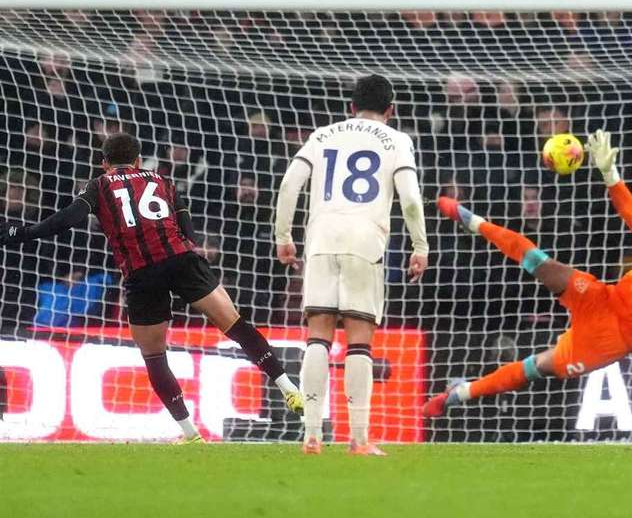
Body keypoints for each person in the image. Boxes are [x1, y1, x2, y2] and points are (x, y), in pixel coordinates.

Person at [0, 132, 303, 443]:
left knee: (155, 356)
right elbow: (187, 226)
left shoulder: (99, 185)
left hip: (142, 274)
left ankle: (190, 433)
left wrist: (22, 232)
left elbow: (67, 220)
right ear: (138, 160)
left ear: (104, 164)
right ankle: (288, 387)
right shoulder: (162, 180)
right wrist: (188, 249)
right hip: (182, 260)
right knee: (236, 325)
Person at [423, 129, 632, 418]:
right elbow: (631, 213)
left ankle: (459, 394)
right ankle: (472, 220)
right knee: (540, 262)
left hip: (611, 340)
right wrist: (610, 172)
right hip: (600, 297)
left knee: (538, 367)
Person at [275, 74, 429, 456]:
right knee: (359, 342)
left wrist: (283, 238)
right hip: (365, 240)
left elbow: (290, 184)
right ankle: (358, 439)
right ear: (390, 111)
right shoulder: (397, 140)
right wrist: (420, 245)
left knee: (318, 336)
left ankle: (311, 436)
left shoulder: (323, 134)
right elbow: (410, 198)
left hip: (322, 238)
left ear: (350, 107)